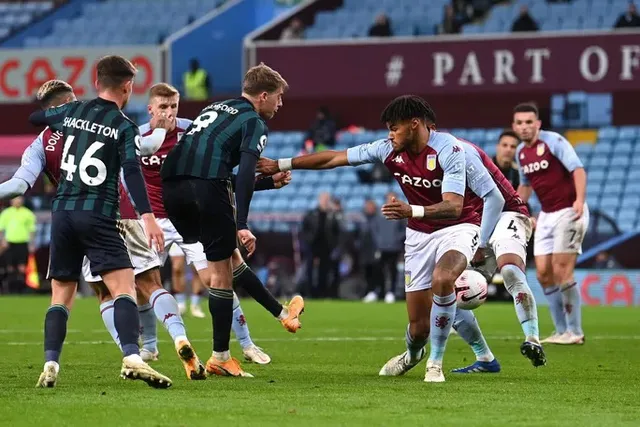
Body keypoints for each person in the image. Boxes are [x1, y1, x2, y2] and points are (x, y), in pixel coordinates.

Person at [258, 95, 506, 382]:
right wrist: (281, 163)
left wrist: (409, 209)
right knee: (417, 328)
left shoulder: (449, 150)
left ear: (414, 125)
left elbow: (454, 206)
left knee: (443, 278)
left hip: (459, 226)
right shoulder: (387, 149)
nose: (390, 134)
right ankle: (414, 354)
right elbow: (335, 158)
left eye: (394, 127)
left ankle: (435, 364)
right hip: (418, 234)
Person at [117, 82, 292, 365]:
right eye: (163, 107)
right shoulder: (138, 139)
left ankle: (246, 343)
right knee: (143, 285)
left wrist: (265, 184)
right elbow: (127, 181)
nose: (169, 113)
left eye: (173, 106)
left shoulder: (192, 131)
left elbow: (216, 179)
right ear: (150, 109)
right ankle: (150, 345)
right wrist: (142, 214)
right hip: (154, 220)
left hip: (193, 213)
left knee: (217, 277)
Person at [27, 57, 172, 388]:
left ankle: (51, 362)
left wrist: (60, 116)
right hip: (98, 212)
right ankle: (133, 357)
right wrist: (147, 217)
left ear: (96, 84)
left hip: (62, 213)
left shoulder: (73, 112)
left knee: (61, 295)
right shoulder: (123, 126)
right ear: (127, 87)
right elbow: (132, 172)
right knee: (124, 288)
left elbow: (36, 116)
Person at [161, 63, 304, 378]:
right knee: (222, 275)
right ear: (263, 96)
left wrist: (268, 183)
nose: (280, 105)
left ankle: (283, 314)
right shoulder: (253, 122)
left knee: (230, 257)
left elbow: (227, 173)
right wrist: (242, 222)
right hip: (206, 187)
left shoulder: (215, 108)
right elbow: (237, 179)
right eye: (278, 98)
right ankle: (221, 357)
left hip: (171, 188)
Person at [513, 103, 588, 345]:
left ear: (537, 123)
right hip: (546, 214)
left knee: (561, 270)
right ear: (515, 126)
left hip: (568, 210)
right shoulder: (521, 153)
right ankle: (560, 330)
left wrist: (579, 200)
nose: (524, 127)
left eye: (528, 122)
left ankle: (575, 331)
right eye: (520, 123)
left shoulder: (553, 141)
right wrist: (515, 208)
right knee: (544, 273)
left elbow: (578, 170)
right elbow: (525, 186)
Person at [0, 196, 36, 291]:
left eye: (19, 199)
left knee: (22, 267)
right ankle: (9, 289)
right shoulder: (6, 213)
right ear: (11, 201)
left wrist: (31, 244)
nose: (17, 201)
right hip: (9, 243)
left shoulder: (28, 213)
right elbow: (1, 229)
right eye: (15, 199)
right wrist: (3, 240)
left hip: (22, 243)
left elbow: (32, 230)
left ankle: (21, 289)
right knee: (10, 267)